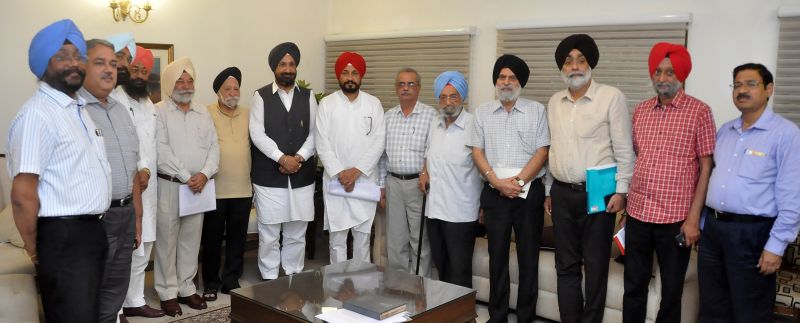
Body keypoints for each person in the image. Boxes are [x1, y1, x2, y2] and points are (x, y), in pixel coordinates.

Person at [7, 19, 111, 322]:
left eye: (78, 56)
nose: (73, 63)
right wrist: (36, 250)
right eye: (62, 56)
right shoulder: (38, 114)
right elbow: (22, 195)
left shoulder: (77, 110)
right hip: (64, 236)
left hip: (89, 232)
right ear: (43, 64)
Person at [543, 34, 635, 323]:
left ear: (590, 64)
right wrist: (547, 190)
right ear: (562, 68)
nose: (574, 67)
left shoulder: (611, 97)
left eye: (580, 60)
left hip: (599, 194)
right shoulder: (554, 101)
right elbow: (552, 148)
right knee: (565, 264)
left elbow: (624, 149)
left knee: (595, 265)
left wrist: (622, 192)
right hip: (560, 192)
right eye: (568, 62)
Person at [699, 63, 800, 322]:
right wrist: (703, 224)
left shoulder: (786, 134)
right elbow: (712, 177)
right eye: (737, 85)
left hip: (752, 234)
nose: (742, 90)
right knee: (712, 308)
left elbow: (793, 196)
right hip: (714, 231)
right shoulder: (725, 131)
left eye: (751, 84)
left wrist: (776, 247)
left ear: (769, 89)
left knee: (749, 313)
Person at [623, 43, 715, 323]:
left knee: (671, 293)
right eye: (658, 72)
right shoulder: (640, 111)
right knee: (633, 288)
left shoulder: (699, 112)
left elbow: (706, 167)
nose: (662, 78)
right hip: (638, 214)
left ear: (682, 75)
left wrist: (693, 219)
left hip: (675, 220)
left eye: (670, 72)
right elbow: (638, 157)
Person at [470, 54, 549, 323]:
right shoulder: (482, 112)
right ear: (496, 82)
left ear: (520, 82)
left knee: (529, 259)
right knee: (497, 258)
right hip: (495, 195)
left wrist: (517, 182)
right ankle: (498, 316)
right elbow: (477, 152)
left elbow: (542, 152)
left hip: (528, 194)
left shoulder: (537, 110)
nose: (506, 82)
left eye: (512, 77)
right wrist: (495, 181)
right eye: (502, 77)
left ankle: (526, 317)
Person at [80, 38, 143, 323]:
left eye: (113, 64)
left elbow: (132, 170)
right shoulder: (76, 111)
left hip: (126, 215)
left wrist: (137, 217)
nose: (109, 70)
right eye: (100, 63)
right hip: (94, 220)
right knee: (89, 292)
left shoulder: (121, 111)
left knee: (115, 293)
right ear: (82, 66)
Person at [154, 57, 219, 316]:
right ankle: (167, 292)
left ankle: (186, 288)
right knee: (167, 241)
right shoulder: (158, 110)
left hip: (198, 187)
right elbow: (160, 148)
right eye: (180, 80)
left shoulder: (203, 112)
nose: (185, 85)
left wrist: (204, 174)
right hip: (171, 185)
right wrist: (185, 175)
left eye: (189, 80)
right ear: (170, 83)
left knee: (191, 240)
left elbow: (214, 147)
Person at [250, 42, 317, 280]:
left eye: (291, 64)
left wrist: (298, 158)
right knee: (269, 233)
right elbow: (257, 134)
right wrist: (281, 158)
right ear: (274, 69)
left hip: (302, 175)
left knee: (297, 231)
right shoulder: (261, 96)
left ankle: (293, 274)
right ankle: (269, 277)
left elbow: (314, 133)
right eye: (282, 65)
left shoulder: (308, 97)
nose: (287, 69)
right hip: (269, 176)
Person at [315, 51, 386, 264]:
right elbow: (322, 142)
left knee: (362, 238)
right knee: (337, 240)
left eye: (354, 72)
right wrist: (340, 173)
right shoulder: (327, 104)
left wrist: (355, 173)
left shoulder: (374, 104)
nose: (350, 77)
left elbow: (378, 142)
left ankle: (361, 290)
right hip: (336, 181)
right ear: (339, 76)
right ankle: (337, 290)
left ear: (361, 76)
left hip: (364, 180)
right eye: (345, 72)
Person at [418, 71, 481, 288]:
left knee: (459, 269)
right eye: (443, 97)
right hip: (434, 209)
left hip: (461, 211)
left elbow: (483, 165)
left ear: (462, 97)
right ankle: (445, 311)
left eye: (453, 96)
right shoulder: (434, 124)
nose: (447, 102)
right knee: (442, 266)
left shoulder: (475, 125)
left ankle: (463, 316)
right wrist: (424, 172)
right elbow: (428, 155)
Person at [117, 45, 165, 319]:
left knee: (144, 246)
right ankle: (119, 305)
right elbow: (128, 143)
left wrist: (148, 170)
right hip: (128, 183)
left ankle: (135, 300)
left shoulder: (149, 104)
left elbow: (153, 143)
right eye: (134, 69)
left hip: (150, 187)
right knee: (125, 249)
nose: (138, 74)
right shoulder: (116, 99)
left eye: (143, 71)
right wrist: (141, 169)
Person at [202, 66, 252, 300]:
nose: (232, 92)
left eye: (236, 88)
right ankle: (211, 281)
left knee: (237, 239)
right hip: (215, 189)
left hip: (242, 188)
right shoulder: (206, 113)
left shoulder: (249, 114)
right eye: (227, 89)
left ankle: (231, 279)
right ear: (218, 92)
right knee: (211, 239)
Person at [380, 67, 436, 276]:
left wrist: (426, 171)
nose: (405, 88)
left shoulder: (431, 115)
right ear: (396, 89)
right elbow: (381, 155)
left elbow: (433, 151)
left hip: (418, 185)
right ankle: (399, 286)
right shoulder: (387, 117)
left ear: (419, 88)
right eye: (401, 84)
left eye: (410, 84)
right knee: (396, 240)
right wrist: (381, 186)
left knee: (419, 238)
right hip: (393, 183)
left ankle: (421, 287)